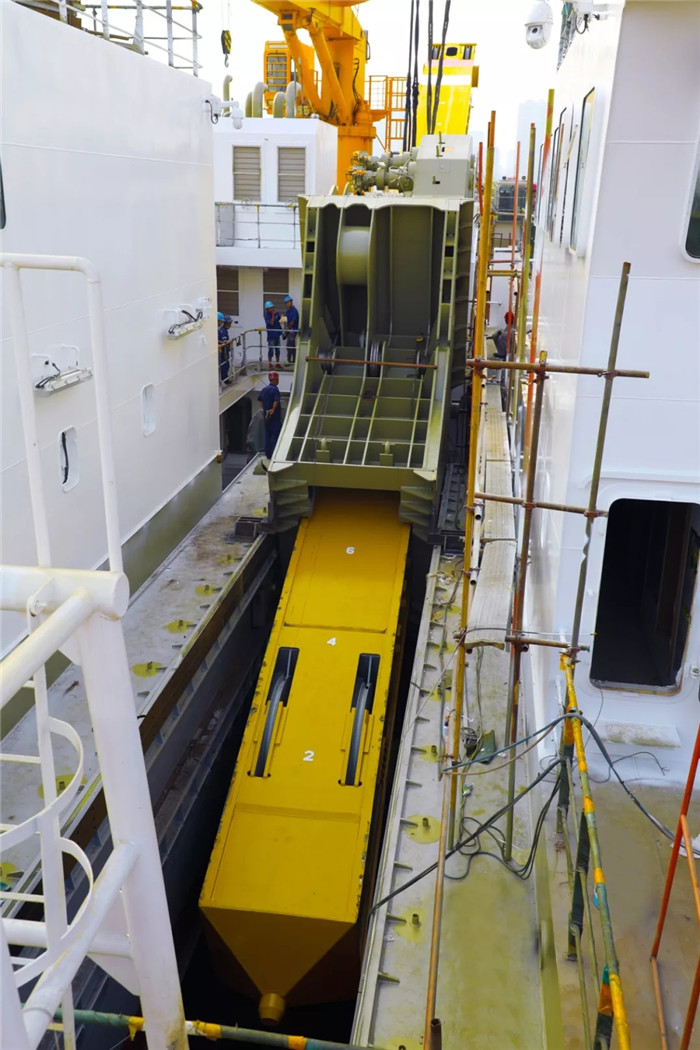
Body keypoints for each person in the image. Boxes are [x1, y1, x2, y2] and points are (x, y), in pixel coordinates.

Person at [257, 371, 282, 458]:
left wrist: (264, 408)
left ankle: (268, 453)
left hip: (266, 416)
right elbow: (276, 401)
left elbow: (259, 400)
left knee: (267, 434)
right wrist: (273, 409)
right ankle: (274, 453)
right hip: (274, 417)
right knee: (275, 434)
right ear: (275, 379)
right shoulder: (275, 390)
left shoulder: (264, 389)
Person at [264, 301, 282, 366]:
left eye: (272, 307)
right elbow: (271, 323)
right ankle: (270, 364)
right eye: (270, 308)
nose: (272, 309)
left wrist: (283, 317)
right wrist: (273, 315)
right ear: (267, 309)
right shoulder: (267, 316)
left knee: (278, 350)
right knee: (271, 350)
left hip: (277, 335)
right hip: (271, 336)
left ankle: (277, 363)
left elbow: (281, 318)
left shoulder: (276, 313)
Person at [283, 294, 299, 365]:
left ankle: (289, 360)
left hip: (293, 330)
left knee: (289, 346)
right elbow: (286, 319)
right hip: (289, 330)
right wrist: (285, 324)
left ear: (291, 302)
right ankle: (294, 360)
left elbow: (293, 321)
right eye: (286, 303)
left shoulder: (294, 310)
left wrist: (288, 328)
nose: (287, 304)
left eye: (288, 302)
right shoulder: (288, 311)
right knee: (292, 346)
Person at [217, 312, 232, 385]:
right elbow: (217, 340)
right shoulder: (220, 330)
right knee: (223, 365)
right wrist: (222, 342)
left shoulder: (224, 330)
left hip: (225, 350)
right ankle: (224, 379)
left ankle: (225, 378)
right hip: (222, 351)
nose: (230, 325)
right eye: (229, 323)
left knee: (226, 365)